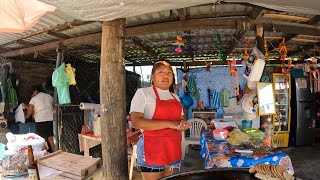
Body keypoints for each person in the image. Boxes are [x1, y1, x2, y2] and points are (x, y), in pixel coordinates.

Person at [130, 61, 190, 180]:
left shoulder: (175, 97)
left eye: (169, 73)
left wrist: (182, 124)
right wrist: (170, 124)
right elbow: (136, 122)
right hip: (152, 148)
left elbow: (181, 118)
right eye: (160, 72)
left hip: (172, 147)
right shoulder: (143, 93)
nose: (165, 76)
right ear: (152, 77)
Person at [23, 86, 54, 152]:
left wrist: (27, 116)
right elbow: (53, 106)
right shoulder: (49, 96)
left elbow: (30, 110)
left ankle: (44, 154)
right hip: (51, 119)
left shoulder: (34, 99)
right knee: (51, 138)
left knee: (42, 139)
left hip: (41, 120)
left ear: (34, 92)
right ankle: (55, 153)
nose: (31, 96)